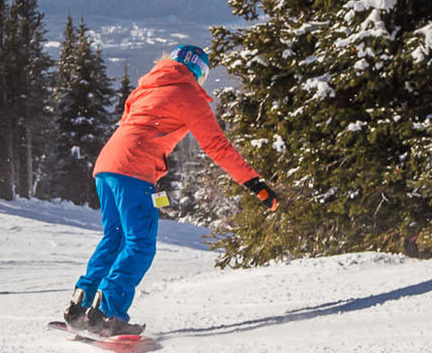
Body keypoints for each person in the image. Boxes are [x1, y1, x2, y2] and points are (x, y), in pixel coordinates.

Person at [66, 45, 277, 336]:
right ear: (198, 73)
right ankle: (107, 314)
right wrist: (254, 183)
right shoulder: (187, 93)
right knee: (139, 243)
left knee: (115, 237)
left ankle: (80, 305)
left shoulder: (145, 88)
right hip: (133, 170)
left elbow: (132, 127)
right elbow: (216, 146)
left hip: (106, 166)